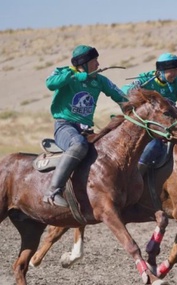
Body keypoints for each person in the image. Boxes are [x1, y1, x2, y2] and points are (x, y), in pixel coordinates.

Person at [43, 45, 127, 207]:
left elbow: (121, 98)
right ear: (83, 63)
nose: (98, 64)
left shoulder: (100, 80)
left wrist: (133, 109)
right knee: (78, 145)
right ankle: (52, 191)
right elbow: (50, 84)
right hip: (65, 126)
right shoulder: (64, 72)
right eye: (94, 60)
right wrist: (73, 76)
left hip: (86, 130)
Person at [122, 52, 177, 173]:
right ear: (161, 71)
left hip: (169, 124)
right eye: (171, 71)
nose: (175, 74)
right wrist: (132, 88)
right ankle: (137, 175)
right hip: (148, 126)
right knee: (153, 146)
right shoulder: (145, 79)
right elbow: (124, 90)